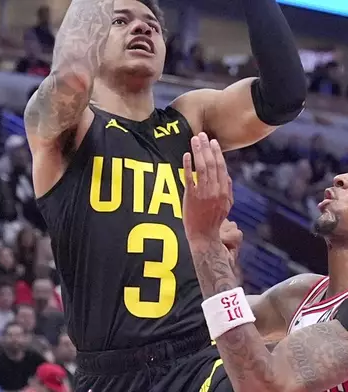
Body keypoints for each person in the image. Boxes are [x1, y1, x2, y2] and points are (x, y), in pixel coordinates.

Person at [23, 0, 306, 391]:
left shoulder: (190, 118)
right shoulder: (67, 130)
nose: (141, 29)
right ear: (91, 37)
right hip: (109, 372)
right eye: (120, 21)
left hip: (198, 356)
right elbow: (70, 74)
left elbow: (285, 96)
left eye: (152, 25)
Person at [180, 133, 348, 391]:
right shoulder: (302, 294)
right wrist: (214, 264)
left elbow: (263, 386)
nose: (340, 179)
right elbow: (204, 325)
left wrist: (207, 245)